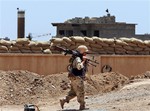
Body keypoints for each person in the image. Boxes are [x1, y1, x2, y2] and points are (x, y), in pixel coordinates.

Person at [60, 45, 89, 110]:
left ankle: (64, 100)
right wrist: (83, 61)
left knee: (73, 92)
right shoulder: (78, 59)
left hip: (74, 77)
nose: (86, 54)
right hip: (77, 78)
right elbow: (79, 67)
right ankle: (82, 106)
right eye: (85, 53)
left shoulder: (76, 58)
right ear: (82, 52)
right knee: (81, 92)